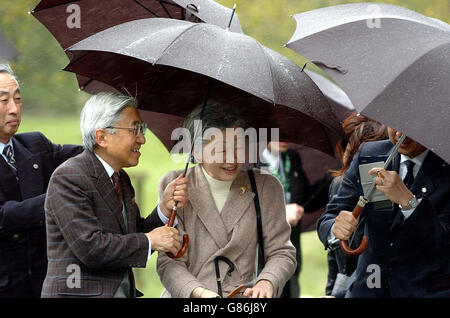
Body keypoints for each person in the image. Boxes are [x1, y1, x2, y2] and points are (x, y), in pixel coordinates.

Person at [41, 92, 188, 298]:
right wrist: (149, 240)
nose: (142, 139)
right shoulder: (69, 177)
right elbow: (90, 247)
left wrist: (163, 209)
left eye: (142, 130)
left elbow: (131, 236)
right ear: (102, 137)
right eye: (135, 130)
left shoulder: (122, 179)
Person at [156, 101, 297, 298]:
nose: (232, 159)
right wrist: (200, 293)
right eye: (221, 150)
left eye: (238, 147)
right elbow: (169, 261)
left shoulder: (265, 186)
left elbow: (282, 252)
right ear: (196, 151)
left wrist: (267, 282)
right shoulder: (175, 185)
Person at [317, 123, 450, 297]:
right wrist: (336, 228)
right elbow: (331, 216)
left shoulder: (445, 165)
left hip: (424, 290)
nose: (400, 133)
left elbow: (443, 244)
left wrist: (408, 202)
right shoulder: (371, 156)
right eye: (395, 124)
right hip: (367, 289)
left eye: (410, 126)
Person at [0, 63, 83, 298]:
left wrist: (111, 136)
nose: (14, 109)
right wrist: (60, 197)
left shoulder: (34, 145)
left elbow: (83, 157)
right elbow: (6, 216)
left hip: (47, 286)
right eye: (4, 101)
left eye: (18, 99)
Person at [322, 112, 388, 297]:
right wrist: (330, 292)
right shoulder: (339, 185)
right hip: (345, 283)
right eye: (349, 150)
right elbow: (334, 252)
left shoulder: (392, 187)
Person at [260, 141, 331, 298]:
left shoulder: (292, 157)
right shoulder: (248, 161)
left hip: (290, 246)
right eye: (278, 130)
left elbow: (306, 200)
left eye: (288, 130)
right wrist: (280, 214)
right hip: (261, 254)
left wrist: (333, 176)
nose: (285, 137)